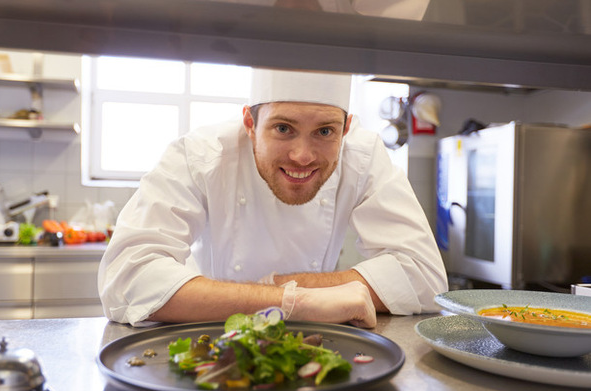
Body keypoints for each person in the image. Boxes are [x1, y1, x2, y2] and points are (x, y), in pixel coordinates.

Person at [98, 68, 448, 328]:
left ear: (346, 126)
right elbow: (127, 276)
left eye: (325, 131)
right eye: (283, 128)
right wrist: (294, 301)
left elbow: (424, 277)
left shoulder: (363, 154)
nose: (303, 156)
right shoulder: (200, 154)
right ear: (249, 122)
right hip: (214, 340)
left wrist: (282, 295)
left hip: (314, 341)